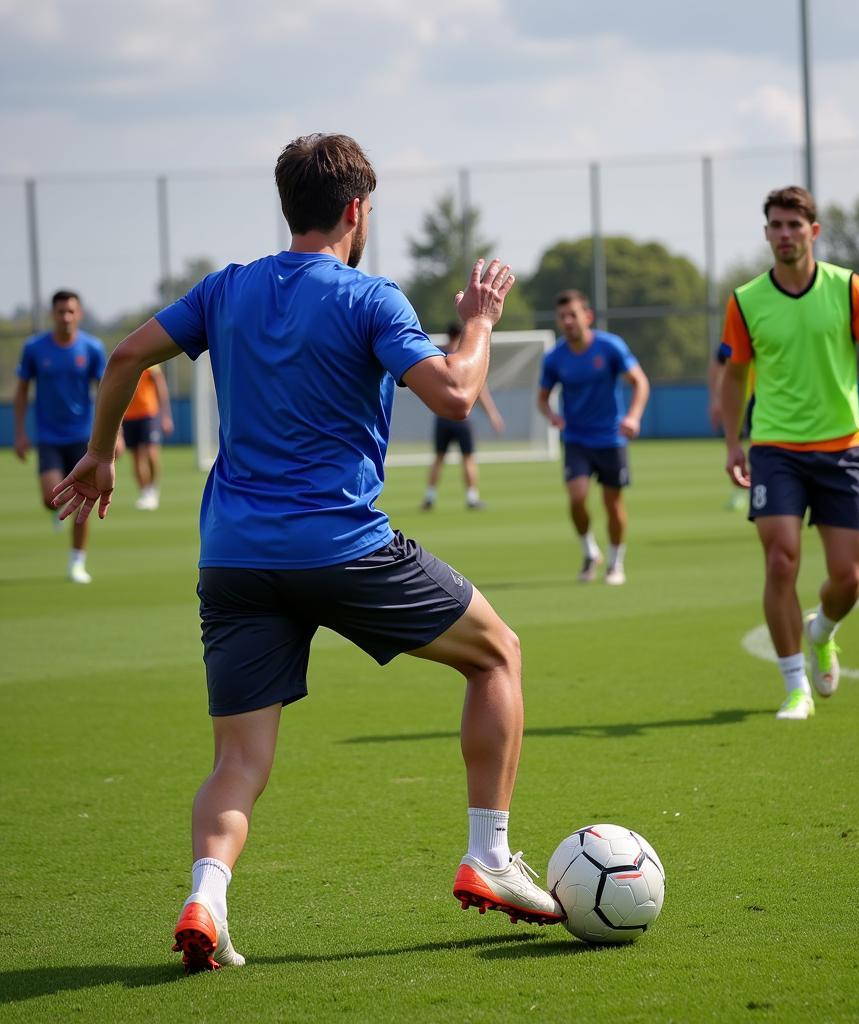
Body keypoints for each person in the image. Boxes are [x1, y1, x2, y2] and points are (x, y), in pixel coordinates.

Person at [49, 133, 563, 974]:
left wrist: (101, 452)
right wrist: (477, 323)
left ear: (287, 205)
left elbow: (126, 354)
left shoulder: (226, 289)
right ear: (357, 210)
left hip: (234, 559)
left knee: (238, 762)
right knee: (497, 655)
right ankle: (491, 856)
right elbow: (459, 395)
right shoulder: (372, 298)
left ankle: (206, 899)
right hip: (343, 548)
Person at [719, 186, 859, 721]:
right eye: (776, 226)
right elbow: (733, 376)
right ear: (766, 233)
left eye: (794, 226)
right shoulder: (746, 299)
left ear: (813, 232)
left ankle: (822, 629)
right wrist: (734, 441)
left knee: (848, 579)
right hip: (775, 448)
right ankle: (795, 686)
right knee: (781, 560)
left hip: (842, 448)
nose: (785, 235)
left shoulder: (848, 289)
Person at [537, 290, 650, 585]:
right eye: (562, 316)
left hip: (611, 439)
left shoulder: (610, 347)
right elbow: (542, 398)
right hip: (576, 439)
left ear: (587, 316)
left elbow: (640, 382)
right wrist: (552, 416)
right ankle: (590, 551)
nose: (567, 321)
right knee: (576, 497)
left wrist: (633, 416)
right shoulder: (555, 357)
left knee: (613, 503)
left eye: (573, 315)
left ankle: (615, 563)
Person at [14, 290, 107, 584]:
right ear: (52, 314)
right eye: (60, 312)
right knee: (51, 498)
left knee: (81, 500)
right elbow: (21, 390)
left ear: (79, 314)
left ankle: (77, 562)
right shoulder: (35, 349)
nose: (65, 317)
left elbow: (106, 393)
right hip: (49, 437)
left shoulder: (92, 348)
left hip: (84, 438)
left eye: (71, 311)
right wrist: (19, 432)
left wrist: (114, 433)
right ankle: (55, 513)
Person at [421, 321, 505, 510]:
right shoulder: (464, 359)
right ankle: (472, 497)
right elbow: (479, 390)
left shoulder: (437, 356)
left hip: (442, 417)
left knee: (438, 458)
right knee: (468, 458)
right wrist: (493, 414)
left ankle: (429, 497)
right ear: (459, 336)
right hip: (462, 419)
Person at [121, 364, 175, 510]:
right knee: (137, 457)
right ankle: (145, 493)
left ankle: (153, 488)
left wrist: (166, 416)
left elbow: (161, 388)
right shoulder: (124, 360)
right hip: (129, 416)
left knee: (152, 453)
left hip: (149, 414)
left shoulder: (151, 363)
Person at [708, 342, 749, 511]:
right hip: (741, 401)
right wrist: (716, 399)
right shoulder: (736, 335)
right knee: (737, 446)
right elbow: (718, 364)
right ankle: (740, 491)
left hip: (765, 400)